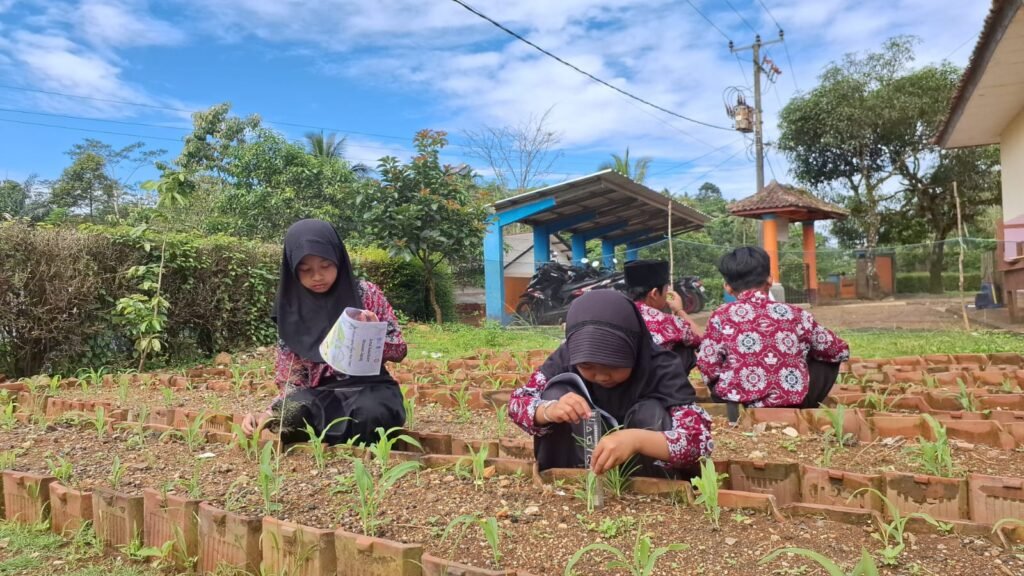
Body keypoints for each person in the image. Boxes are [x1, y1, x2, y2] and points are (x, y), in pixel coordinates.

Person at [507, 290, 713, 477]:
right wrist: (549, 410)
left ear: (634, 350)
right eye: (587, 366)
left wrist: (636, 440)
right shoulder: (566, 358)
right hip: (579, 470)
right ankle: (565, 479)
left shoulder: (661, 368)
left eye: (614, 366)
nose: (602, 376)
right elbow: (518, 403)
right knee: (557, 393)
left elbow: (699, 442)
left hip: (648, 475)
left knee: (650, 411)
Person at [241, 219, 408, 444]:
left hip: (369, 388)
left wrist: (372, 336)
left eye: (326, 266)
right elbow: (290, 377)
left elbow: (399, 350)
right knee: (289, 415)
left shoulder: (366, 295)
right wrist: (269, 413)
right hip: (320, 396)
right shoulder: (290, 310)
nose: (317, 276)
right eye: (305, 269)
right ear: (292, 269)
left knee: (372, 414)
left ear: (338, 258)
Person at [697, 246, 849, 416]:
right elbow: (839, 350)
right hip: (791, 402)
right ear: (770, 280)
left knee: (715, 366)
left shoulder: (720, 316)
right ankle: (802, 407)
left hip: (737, 403)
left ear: (728, 287)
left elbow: (707, 366)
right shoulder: (796, 314)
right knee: (826, 357)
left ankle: (733, 411)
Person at [623, 259, 703, 376]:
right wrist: (679, 311)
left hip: (621, 381)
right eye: (666, 290)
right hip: (657, 382)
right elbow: (703, 340)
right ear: (654, 293)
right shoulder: (667, 322)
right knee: (687, 350)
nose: (666, 295)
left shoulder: (615, 314)